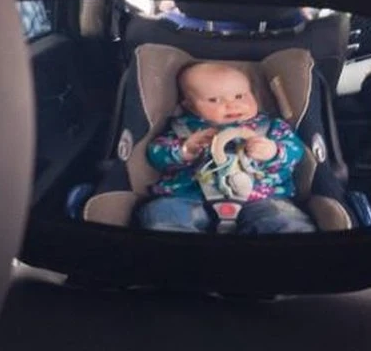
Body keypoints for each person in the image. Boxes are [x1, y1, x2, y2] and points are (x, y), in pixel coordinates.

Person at [135, 61, 316, 234]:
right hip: (189, 196)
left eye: (240, 96)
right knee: (162, 214)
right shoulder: (183, 129)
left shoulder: (272, 128)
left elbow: (295, 151)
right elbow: (156, 154)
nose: (232, 105)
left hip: (262, 199)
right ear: (190, 106)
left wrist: (273, 152)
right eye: (214, 100)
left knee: (287, 222)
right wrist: (184, 150)